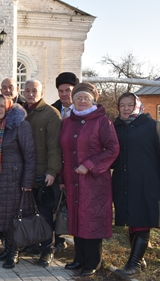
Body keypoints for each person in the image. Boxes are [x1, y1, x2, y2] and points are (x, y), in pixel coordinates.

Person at [111, 92, 160, 278]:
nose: (125, 108)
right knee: (133, 221)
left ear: (137, 105)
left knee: (142, 221)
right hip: (124, 182)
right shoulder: (116, 127)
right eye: (122, 105)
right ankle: (138, 259)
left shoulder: (152, 126)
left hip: (148, 182)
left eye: (129, 104)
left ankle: (133, 265)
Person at [59, 82, 120, 277]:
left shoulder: (103, 121)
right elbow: (63, 152)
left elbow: (113, 148)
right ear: (73, 101)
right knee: (77, 217)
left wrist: (90, 164)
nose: (82, 100)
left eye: (86, 98)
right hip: (71, 179)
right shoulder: (68, 121)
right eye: (78, 98)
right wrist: (62, 177)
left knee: (92, 219)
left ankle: (93, 261)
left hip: (94, 182)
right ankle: (79, 258)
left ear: (93, 100)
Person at [0, 94, 37, 269]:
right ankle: (7, 249)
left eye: (1, 106)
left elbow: (30, 155)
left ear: (8, 106)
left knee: (15, 216)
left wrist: (27, 182)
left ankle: (14, 253)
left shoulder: (20, 125)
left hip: (15, 179)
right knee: (4, 215)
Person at [23, 79, 62, 266]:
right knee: (30, 211)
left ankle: (48, 249)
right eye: (27, 90)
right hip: (26, 172)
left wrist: (51, 172)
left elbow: (55, 147)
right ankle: (32, 244)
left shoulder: (51, 114)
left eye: (34, 91)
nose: (30, 94)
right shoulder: (22, 112)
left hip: (43, 173)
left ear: (42, 92)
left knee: (45, 213)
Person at [50, 71, 79, 252]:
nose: (64, 94)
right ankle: (58, 239)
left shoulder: (84, 109)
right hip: (58, 164)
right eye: (61, 91)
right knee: (58, 203)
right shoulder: (54, 110)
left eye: (68, 90)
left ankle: (79, 240)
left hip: (78, 165)